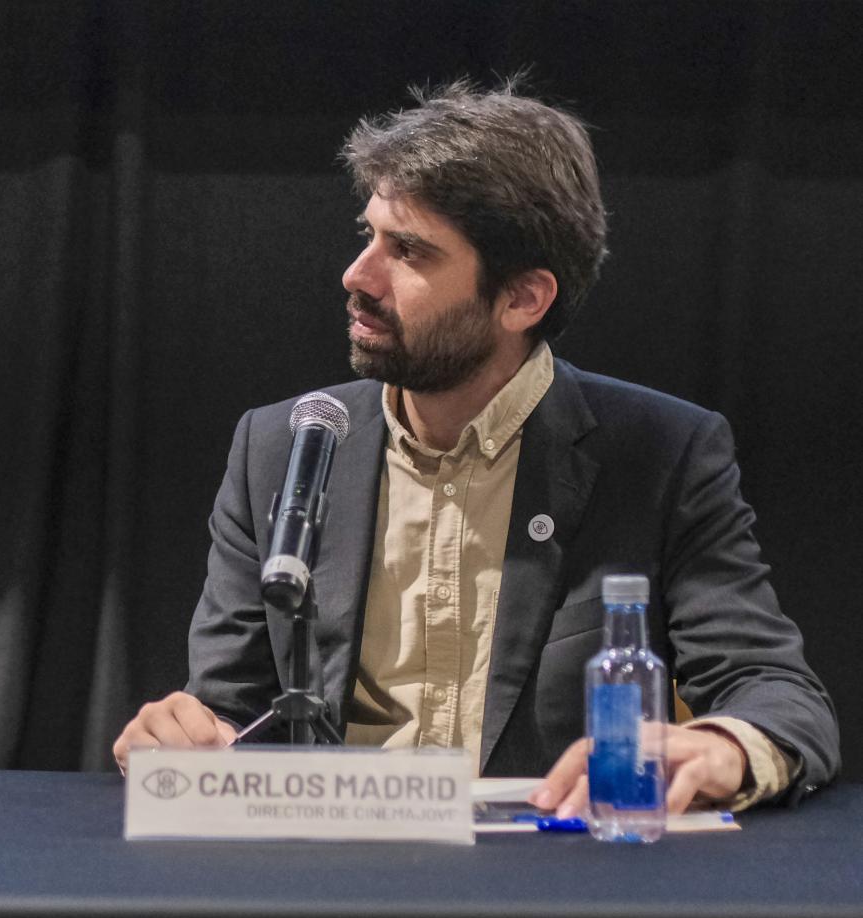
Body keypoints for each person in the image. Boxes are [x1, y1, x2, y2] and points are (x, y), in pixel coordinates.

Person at [113, 80, 839, 815]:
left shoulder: (661, 454)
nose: (357, 277)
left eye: (409, 251)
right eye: (369, 236)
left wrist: (721, 746)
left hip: (549, 885)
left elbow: (777, 693)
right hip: (334, 883)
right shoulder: (281, 445)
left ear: (523, 299)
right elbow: (229, 710)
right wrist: (189, 739)